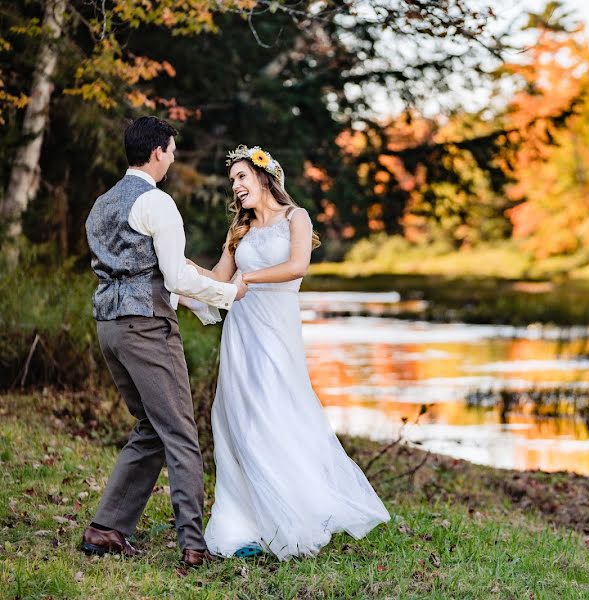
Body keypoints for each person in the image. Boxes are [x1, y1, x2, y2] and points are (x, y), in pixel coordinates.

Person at [195, 144, 389, 559]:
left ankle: (293, 515)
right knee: (239, 422)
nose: (236, 187)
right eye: (233, 181)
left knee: (275, 415)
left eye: (242, 177)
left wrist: (248, 277)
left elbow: (298, 266)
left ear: (264, 176)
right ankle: (245, 522)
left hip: (276, 335)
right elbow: (217, 278)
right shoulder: (239, 231)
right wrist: (178, 267)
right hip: (240, 337)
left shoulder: (296, 217)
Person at [82, 116, 248, 567]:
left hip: (109, 328)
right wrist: (230, 293)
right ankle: (194, 545)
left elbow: (149, 271)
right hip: (147, 329)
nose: (173, 158)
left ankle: (105, 529)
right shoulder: (157, 203)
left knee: (150, 428)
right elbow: (173, 276)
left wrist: (206, 306)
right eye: (172, 151)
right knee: (179, 434)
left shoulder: (101, 204)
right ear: (157, 152)